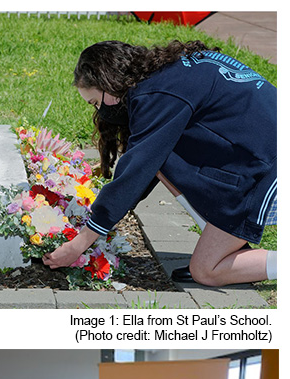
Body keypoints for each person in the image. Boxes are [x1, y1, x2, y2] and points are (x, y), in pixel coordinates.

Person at [43, 39, 277, 287]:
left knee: (205, 271)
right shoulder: (166, 74)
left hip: (270, 170)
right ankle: (228, 251)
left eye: (96, 102)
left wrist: (80, 243)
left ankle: (226, 258)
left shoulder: (156, 95)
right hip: (259, 153)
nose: (100, 111)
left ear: (109, 82)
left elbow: (135, 172)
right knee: (163, 160)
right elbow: (145, 167)